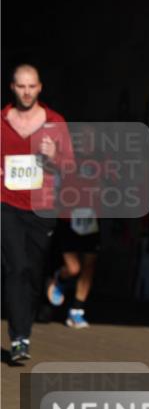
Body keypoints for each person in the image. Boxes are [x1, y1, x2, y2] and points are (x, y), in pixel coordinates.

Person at [1, 64, 75, 361]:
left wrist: (54, 157)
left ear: (40, 88)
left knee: (32, 272)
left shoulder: (55, 123)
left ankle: (24, 329)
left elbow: (70, 168)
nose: (27, 92)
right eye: (21, 86)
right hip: (6, 205)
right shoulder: (2, 122)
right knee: (15, 268)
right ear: (12, 87)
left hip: (42, 208)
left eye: (32, 86)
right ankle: (20, 338)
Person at [47, 124, 105, 328]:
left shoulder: (102, 162)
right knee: (74, 268)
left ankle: (77, 311)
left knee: (89, 266)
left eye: (90, 138)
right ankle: (59, 278)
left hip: (91, 219)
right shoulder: (64, 161)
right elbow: (52, 186)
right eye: (82, 138)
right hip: (67, 219)